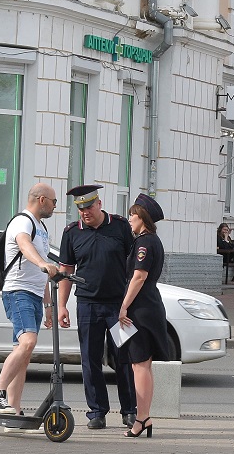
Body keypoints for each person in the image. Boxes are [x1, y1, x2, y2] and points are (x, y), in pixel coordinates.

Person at [57, 184, 137, 430]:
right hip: (87, 305)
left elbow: (134, 265)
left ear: (99, 204)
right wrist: (62, 306)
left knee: (124, 357)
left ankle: (130, 411)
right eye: (81, 209)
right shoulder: (72, 233)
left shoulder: (120, 226)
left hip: (118, 306)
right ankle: (97, 412)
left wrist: (131, 302)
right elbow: (66, 271)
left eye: (89, 207)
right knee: (90, 360)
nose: (85, 212)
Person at [0, 184, 61, 415]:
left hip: (34, 295)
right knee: (28, 342)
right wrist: (43, 263)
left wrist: (48, 305)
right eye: (54, 202)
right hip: (18, 292)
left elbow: (42, 271)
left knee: (23, 354)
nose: (55, 206)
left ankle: (14, 412)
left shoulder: (41, 227)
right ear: (42, 200)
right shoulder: (23, 221)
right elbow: (25, 246)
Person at [117, 194, 174, 438]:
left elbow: (138, 276)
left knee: (139, 364)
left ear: (142, 217)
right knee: (143, 365)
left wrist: (123, 307)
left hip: (140, 309)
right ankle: (144, 417)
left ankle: (141, 418)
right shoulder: (151, 240)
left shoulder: (144, 243)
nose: (130, 218)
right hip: (149, 306)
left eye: (132, 214)